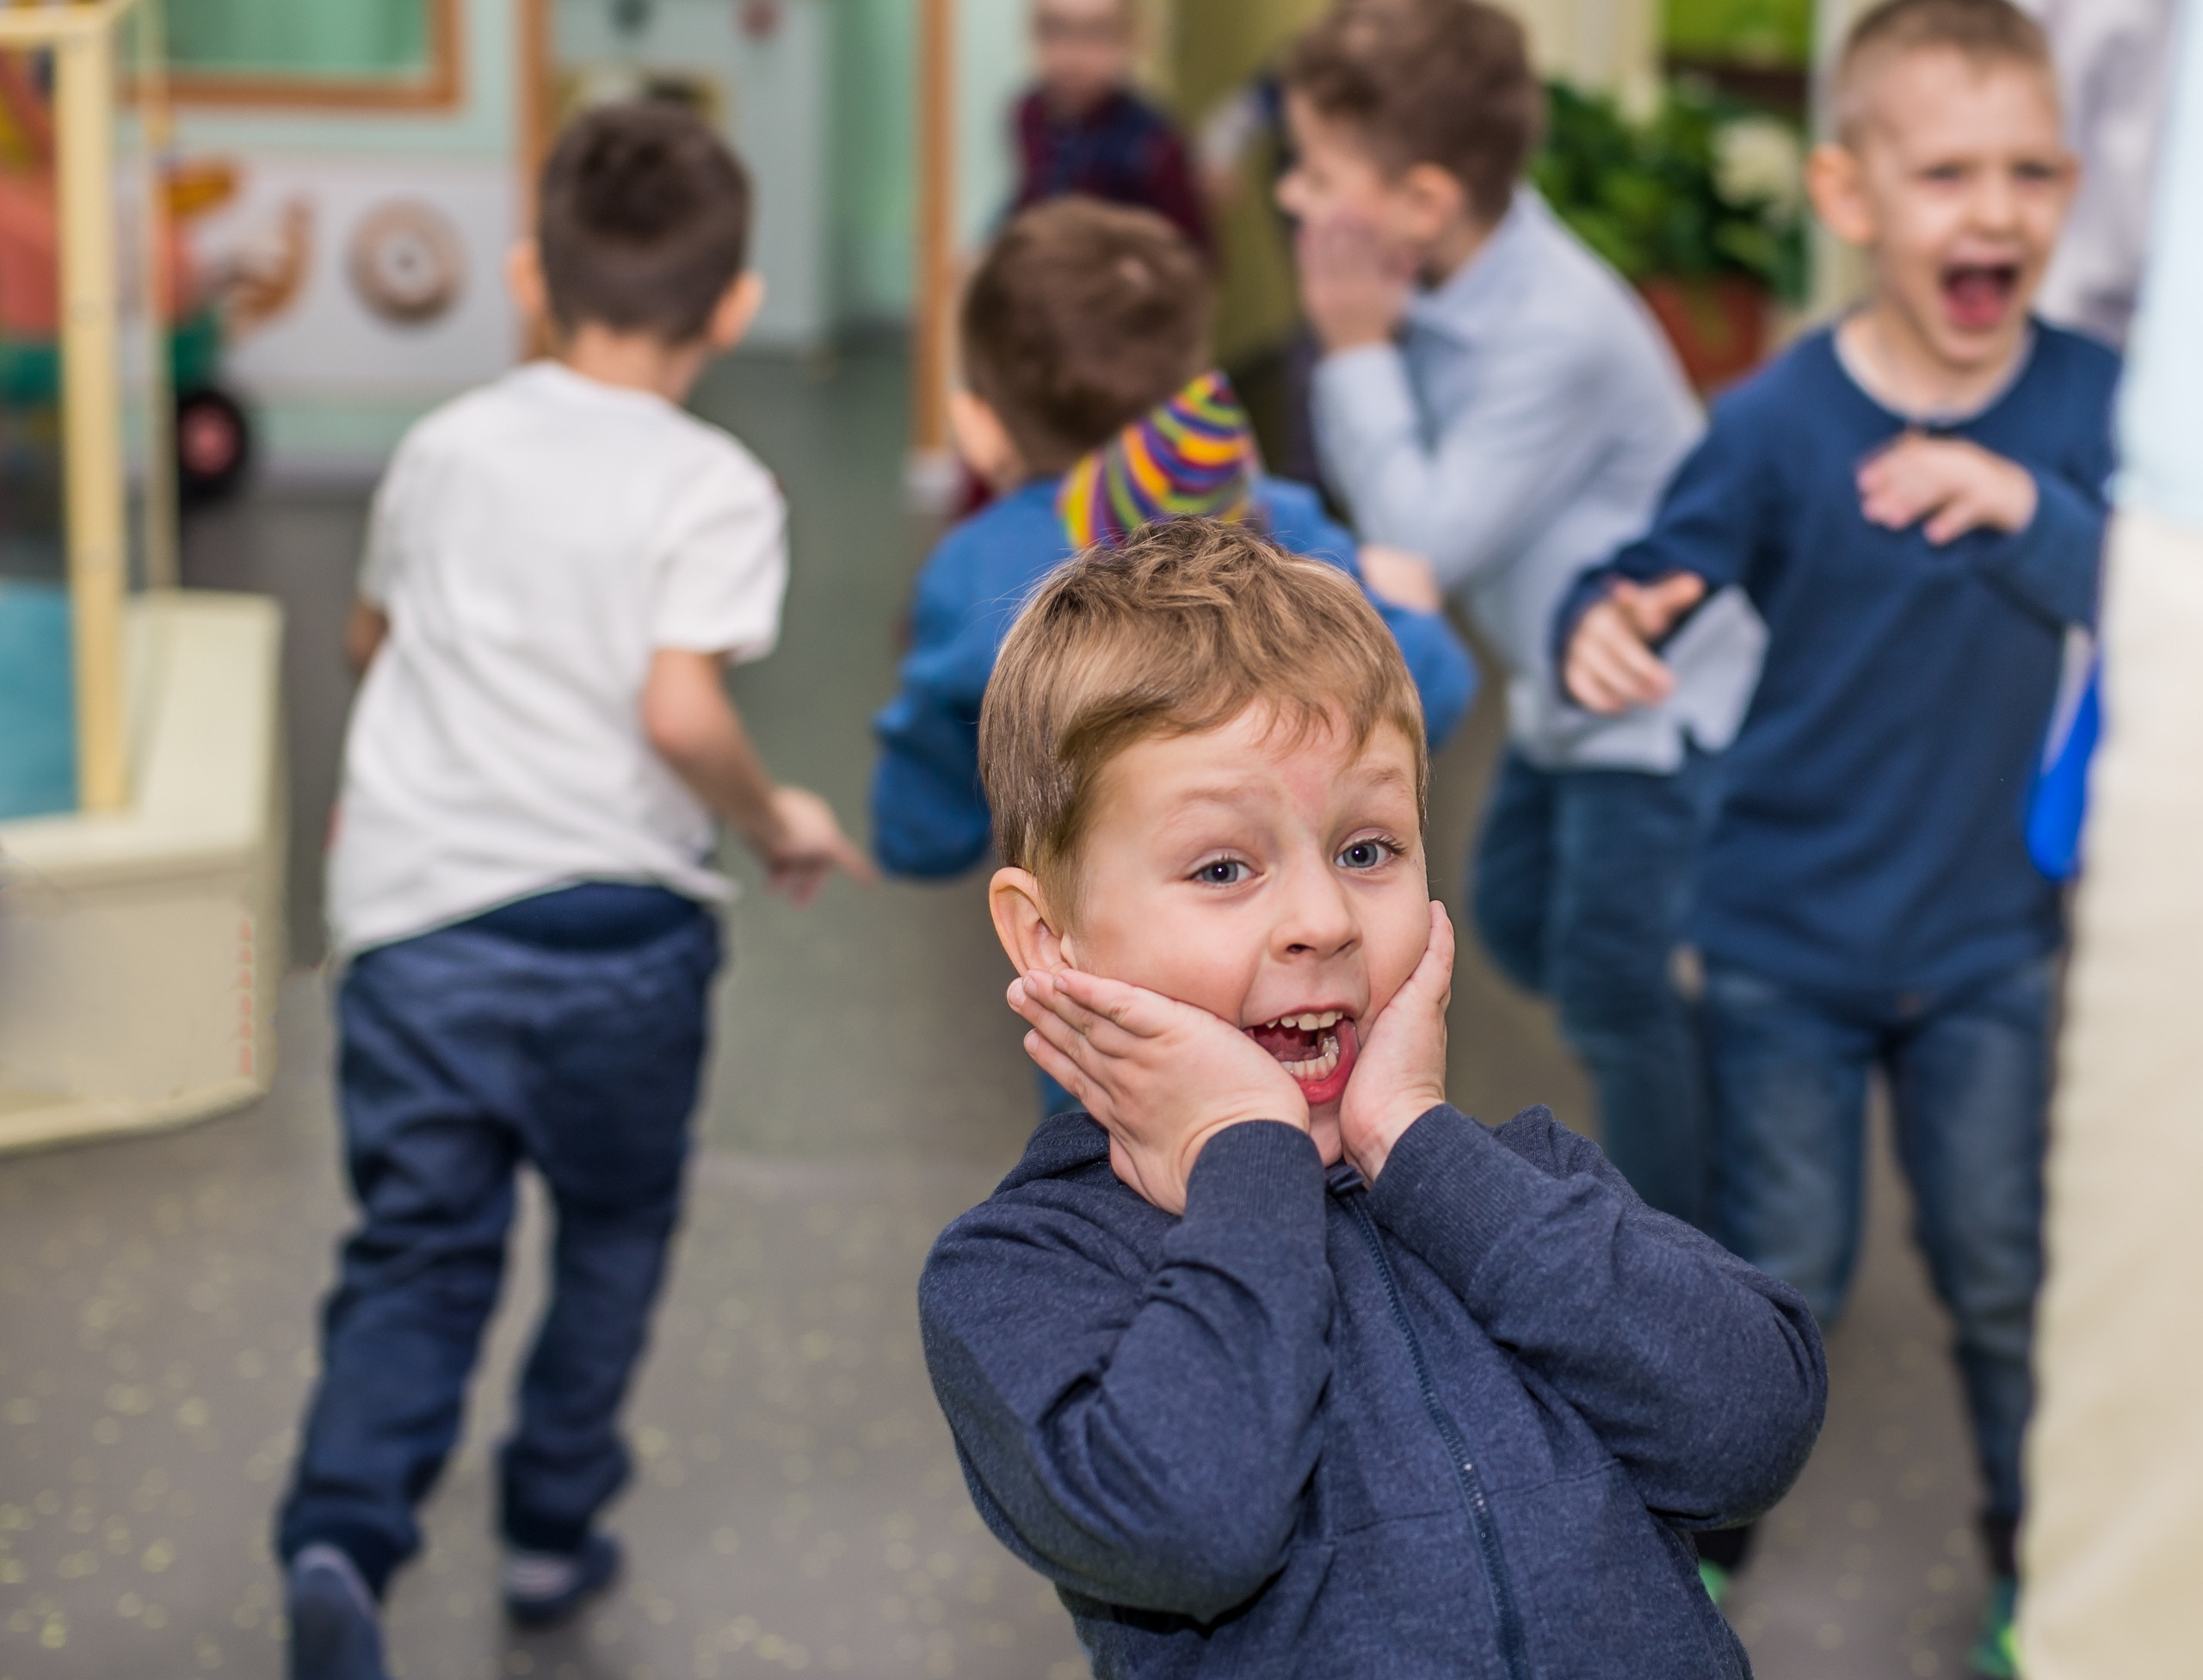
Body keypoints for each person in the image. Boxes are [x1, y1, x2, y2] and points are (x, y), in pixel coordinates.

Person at [918, 518, 1826, 1677]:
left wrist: (1419, 1146)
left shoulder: (1522, 1180)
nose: (1324, 920)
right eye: (1222, 868)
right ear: (1051, 940)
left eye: (1367, 851)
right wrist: (1247, 1154)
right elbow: (1192, 1525)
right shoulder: (1024, 1266)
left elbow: (1752, 1431)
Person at [277, 103, 873, 1680]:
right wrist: (778, 818)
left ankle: (342, 1533)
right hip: (617, 933)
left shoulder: (443, 447)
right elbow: (679, 711)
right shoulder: (717, 484)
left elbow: (368, 642)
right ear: (733, 308)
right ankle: (548, 1525)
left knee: (419, 1248)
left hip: (416, 924)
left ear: (530, 277)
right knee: (611, 1230)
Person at [1555, 0, 2114, 1661]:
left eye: (2030, 172)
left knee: (2000, 1270)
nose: (1996, 211)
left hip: (1988, 946)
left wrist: (2028, 506)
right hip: (1784, 944)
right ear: (1849, 195)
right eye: (1947, 174)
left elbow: (2155, 593)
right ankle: (1708, 1533)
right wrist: (1603, 619)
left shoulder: (2089, 404)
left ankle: (2033, 1555)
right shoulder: (1778, 423)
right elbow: (1647, 567)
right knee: (1786, 1268)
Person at [1278, 0, 1767, 1234]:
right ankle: (1713, 1058)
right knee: (1509, 914)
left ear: (1424, 201)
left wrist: (1352, 346)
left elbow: (1419, 546)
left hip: (1657, 708)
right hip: (1563, 693)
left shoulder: (1554, 329)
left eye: (1318, 173)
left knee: (1609, 989)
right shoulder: (1446, 276)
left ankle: (1674, 1257)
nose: (1291, 196)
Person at [871, 195, 1476, 886]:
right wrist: (1413, 607)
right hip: (1281, 889)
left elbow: (921, 823)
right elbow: (1436, 689)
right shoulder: (1278, 518)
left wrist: (925, 833)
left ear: (980, 429)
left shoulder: (972, 570)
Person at [1011, 0, 1210, 256]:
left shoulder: (1155, 144)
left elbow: (1194, 254)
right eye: (1055, 28)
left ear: (1131, 38)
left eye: (1097, 31)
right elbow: (1033, 196)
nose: (1073, 53)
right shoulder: (1030, 113)